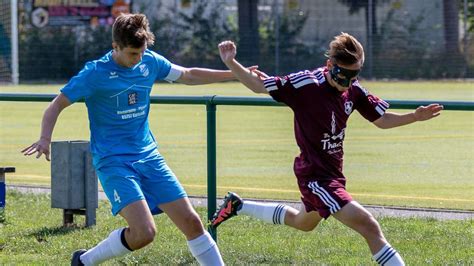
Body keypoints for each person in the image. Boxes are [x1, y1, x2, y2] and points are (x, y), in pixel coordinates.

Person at [21, 13, 248, 266]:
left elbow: (188, 74)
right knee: (144, 233)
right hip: (113, 161)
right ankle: (85, 261)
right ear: (115, 47)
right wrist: (44, 138)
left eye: (141, 53)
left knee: (193, 223)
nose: (138, 59)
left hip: (148, 157)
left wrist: (235, 73)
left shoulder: (148, 61)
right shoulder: (95, 73)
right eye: (132, 54)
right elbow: (56, 105)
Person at [211, 33, 443, 265]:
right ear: (329, 65)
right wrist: (231, 61)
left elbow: (381, 120)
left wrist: (414, 116)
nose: (348, 83)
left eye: (354, 76)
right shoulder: (306, 84)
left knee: (303, 222)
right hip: (315, 177)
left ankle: (238, 206)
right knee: (369, 226)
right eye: (343, 75)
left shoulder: (354, 90)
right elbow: (258, 85)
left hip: (333, 174)